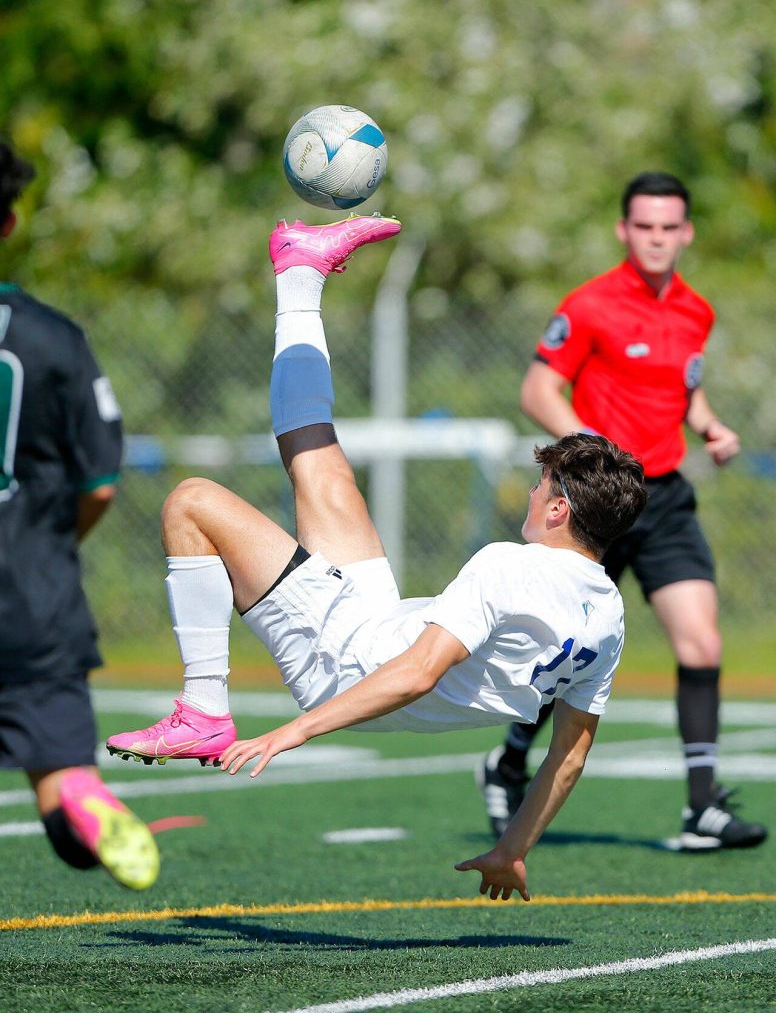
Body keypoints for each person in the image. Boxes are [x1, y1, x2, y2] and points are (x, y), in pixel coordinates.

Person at [107, 212, 647, 901]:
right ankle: (299, 274)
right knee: (318, 461)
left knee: (190, 501)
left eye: (544, 479)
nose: (535, 483)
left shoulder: (511, 565)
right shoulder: (608, 613)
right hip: (372, 623)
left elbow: (419, 674)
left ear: (558, 509)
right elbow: (570, 751)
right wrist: (514, 849)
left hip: (336, 657)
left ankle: (203, 707)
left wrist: (296, 729)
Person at [479, 171, 768, 852]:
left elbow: (682, 390)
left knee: (703, 643)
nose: (658, 238)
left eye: (670, 227)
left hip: (664, 497)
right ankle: (507, 762)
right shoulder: (590, 305)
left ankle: (702, 809)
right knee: (566, 652)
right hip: (600, 506)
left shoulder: (696, 310)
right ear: (624, 230)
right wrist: (592, 460)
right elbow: (538, 387)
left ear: (686, 232)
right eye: (645, 226)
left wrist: (711, 426)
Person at [0, 139, 159, 889]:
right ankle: (85, 804)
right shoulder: (55, 339)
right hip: (34, 597)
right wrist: (52, 547)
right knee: (62, 789)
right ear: (8, 223)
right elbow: (98, 482)